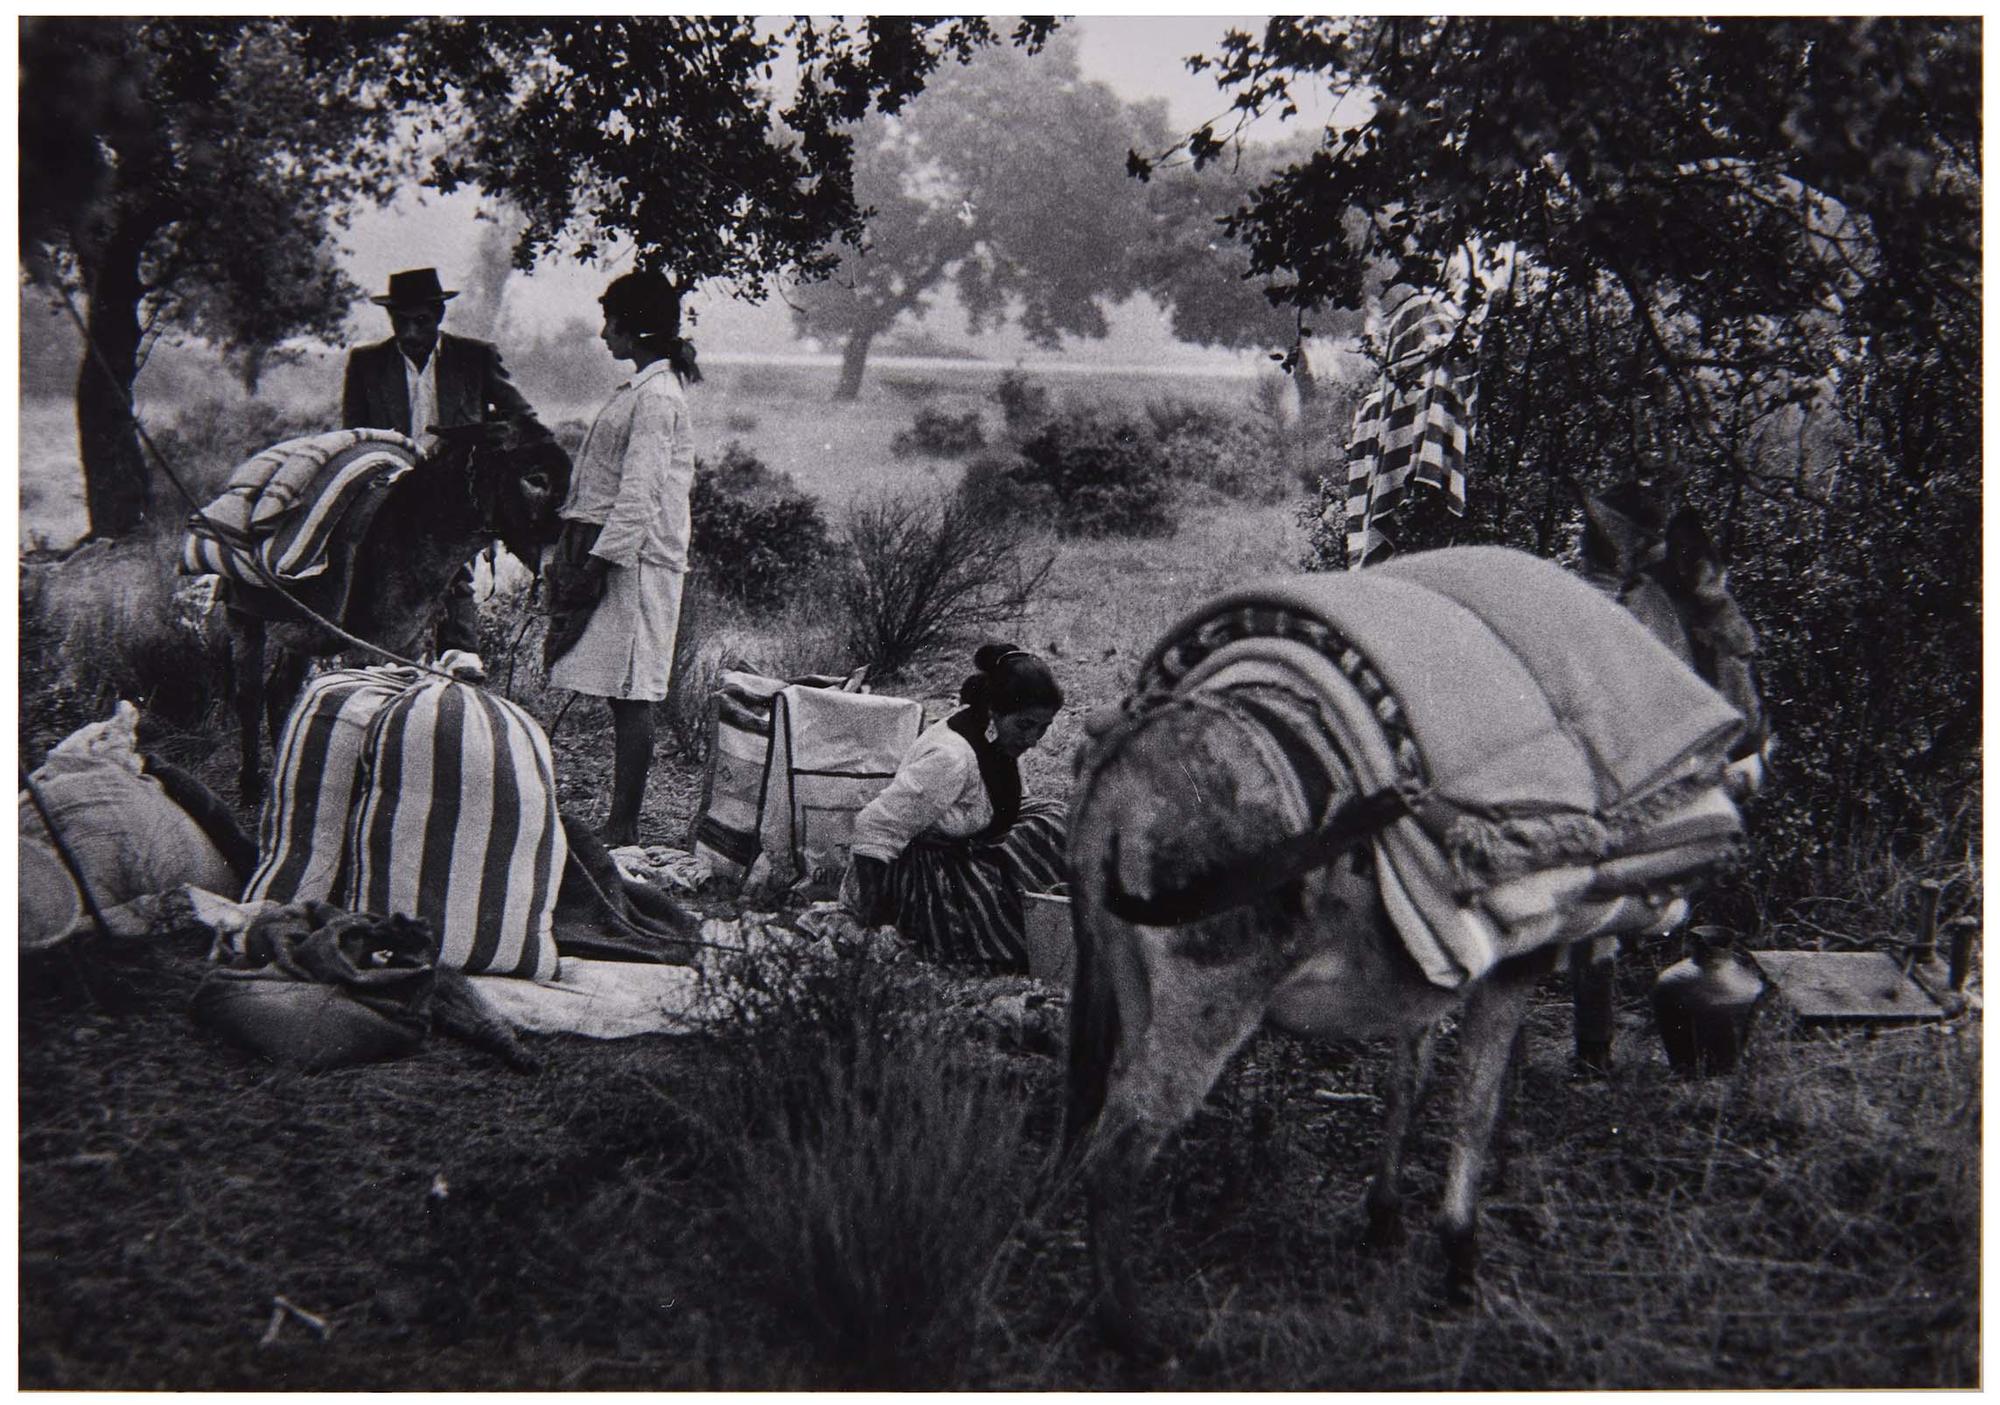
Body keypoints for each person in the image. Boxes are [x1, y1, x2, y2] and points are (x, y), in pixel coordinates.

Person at [542, 270, 701, 847]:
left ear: (634, 329)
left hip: (638, 562)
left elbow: (640, 496)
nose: (604, 331)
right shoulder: (640, 391)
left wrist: (597, 566)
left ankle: (624, 824)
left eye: (611, 320)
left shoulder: (658, 398)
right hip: (617, 555)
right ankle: (619, 819)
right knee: (620, 688)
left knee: (636, 691)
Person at [342, 267, 545, 654]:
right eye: (401, 321)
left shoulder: (474, 358)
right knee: (376, 571)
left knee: (454, 574)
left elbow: (522, 418)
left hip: (455, 492)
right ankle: (374, 653)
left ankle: (459, 662)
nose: (410, 333)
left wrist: (496, 439)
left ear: (438, 315)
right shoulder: (367, 363)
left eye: (420, 321)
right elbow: (353, 434)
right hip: (389, 490)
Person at [842, 643, 1068, 972]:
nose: (1033, 739)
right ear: (995, 710)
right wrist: (873, 920)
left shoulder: (994, 735)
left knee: (1054, 820)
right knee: (991, 898)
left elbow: (1008, 799)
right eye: (1024, 725)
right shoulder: (951, 757)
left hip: (972, 841)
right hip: (924, 869)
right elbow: (873, 827)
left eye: (1042, 728)